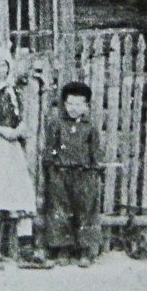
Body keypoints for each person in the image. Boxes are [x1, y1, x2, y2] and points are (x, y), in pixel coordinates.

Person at [0, 46, 52, 269]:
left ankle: (26, 251)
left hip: (13, 150)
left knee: (22, 196)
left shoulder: (13, 91)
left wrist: (21, 127)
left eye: (3, 65)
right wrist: (0, 131)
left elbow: (21, 117)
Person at [43, 80, 102, 267]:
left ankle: (85, 250)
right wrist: (51, 166)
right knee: (60, 210)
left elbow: (95, 151)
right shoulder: (57, 125)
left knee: (85, 211)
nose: (74, 108)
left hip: (84, 175)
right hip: (61, 173)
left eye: (79, 104)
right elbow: (51, 148)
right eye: (70, 103)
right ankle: (62, 249)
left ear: (86, 106)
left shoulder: (90, 127)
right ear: (64, 104)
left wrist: (95, 166)